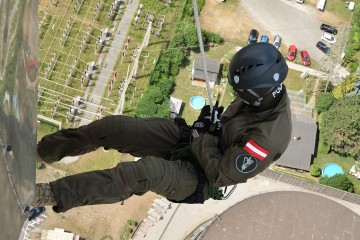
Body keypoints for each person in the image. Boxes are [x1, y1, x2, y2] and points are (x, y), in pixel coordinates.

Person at [32, 42, 292, 213]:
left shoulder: (267, 138)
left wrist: (203, 134)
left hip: (201, 177)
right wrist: (209, 123)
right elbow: (223, 129)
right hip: (195, 141)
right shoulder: (259, 95)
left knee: (141, 173)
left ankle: (49, 194)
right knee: (113, 127)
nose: (236, 94)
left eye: (240, 92)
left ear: (257, 94)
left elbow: (221, 175)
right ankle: (42, 152)